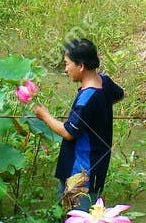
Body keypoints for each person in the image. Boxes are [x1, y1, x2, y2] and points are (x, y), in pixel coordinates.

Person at [32, 38, 125, 209]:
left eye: (67, 64)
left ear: (80, 66)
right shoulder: (105, 81)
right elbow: (119, 95)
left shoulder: (86, 99)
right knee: (90, 209)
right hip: (98, 165)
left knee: (75, 219)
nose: (66, 69)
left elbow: (68, 132)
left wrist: (44, 116)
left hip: (81, 171)